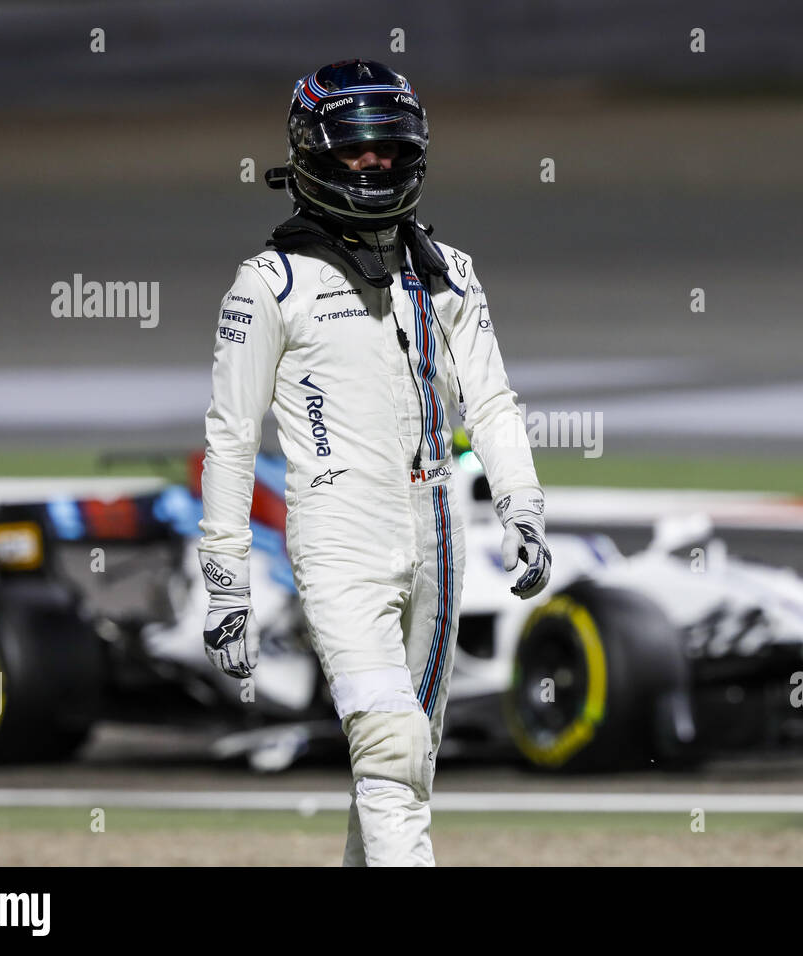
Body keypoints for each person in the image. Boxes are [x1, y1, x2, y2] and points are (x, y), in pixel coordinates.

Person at [196, 59, 550, 866]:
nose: (376, 164)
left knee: (406, 762)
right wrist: (227, 580)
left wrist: (522, 507)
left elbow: (492, 404)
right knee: (390, 746)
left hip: (442, 533)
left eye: (390, 148)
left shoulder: (450, 273)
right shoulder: (269, 285)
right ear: (314, 153)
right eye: (357, 150)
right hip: (338, 535)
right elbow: (230, 437)